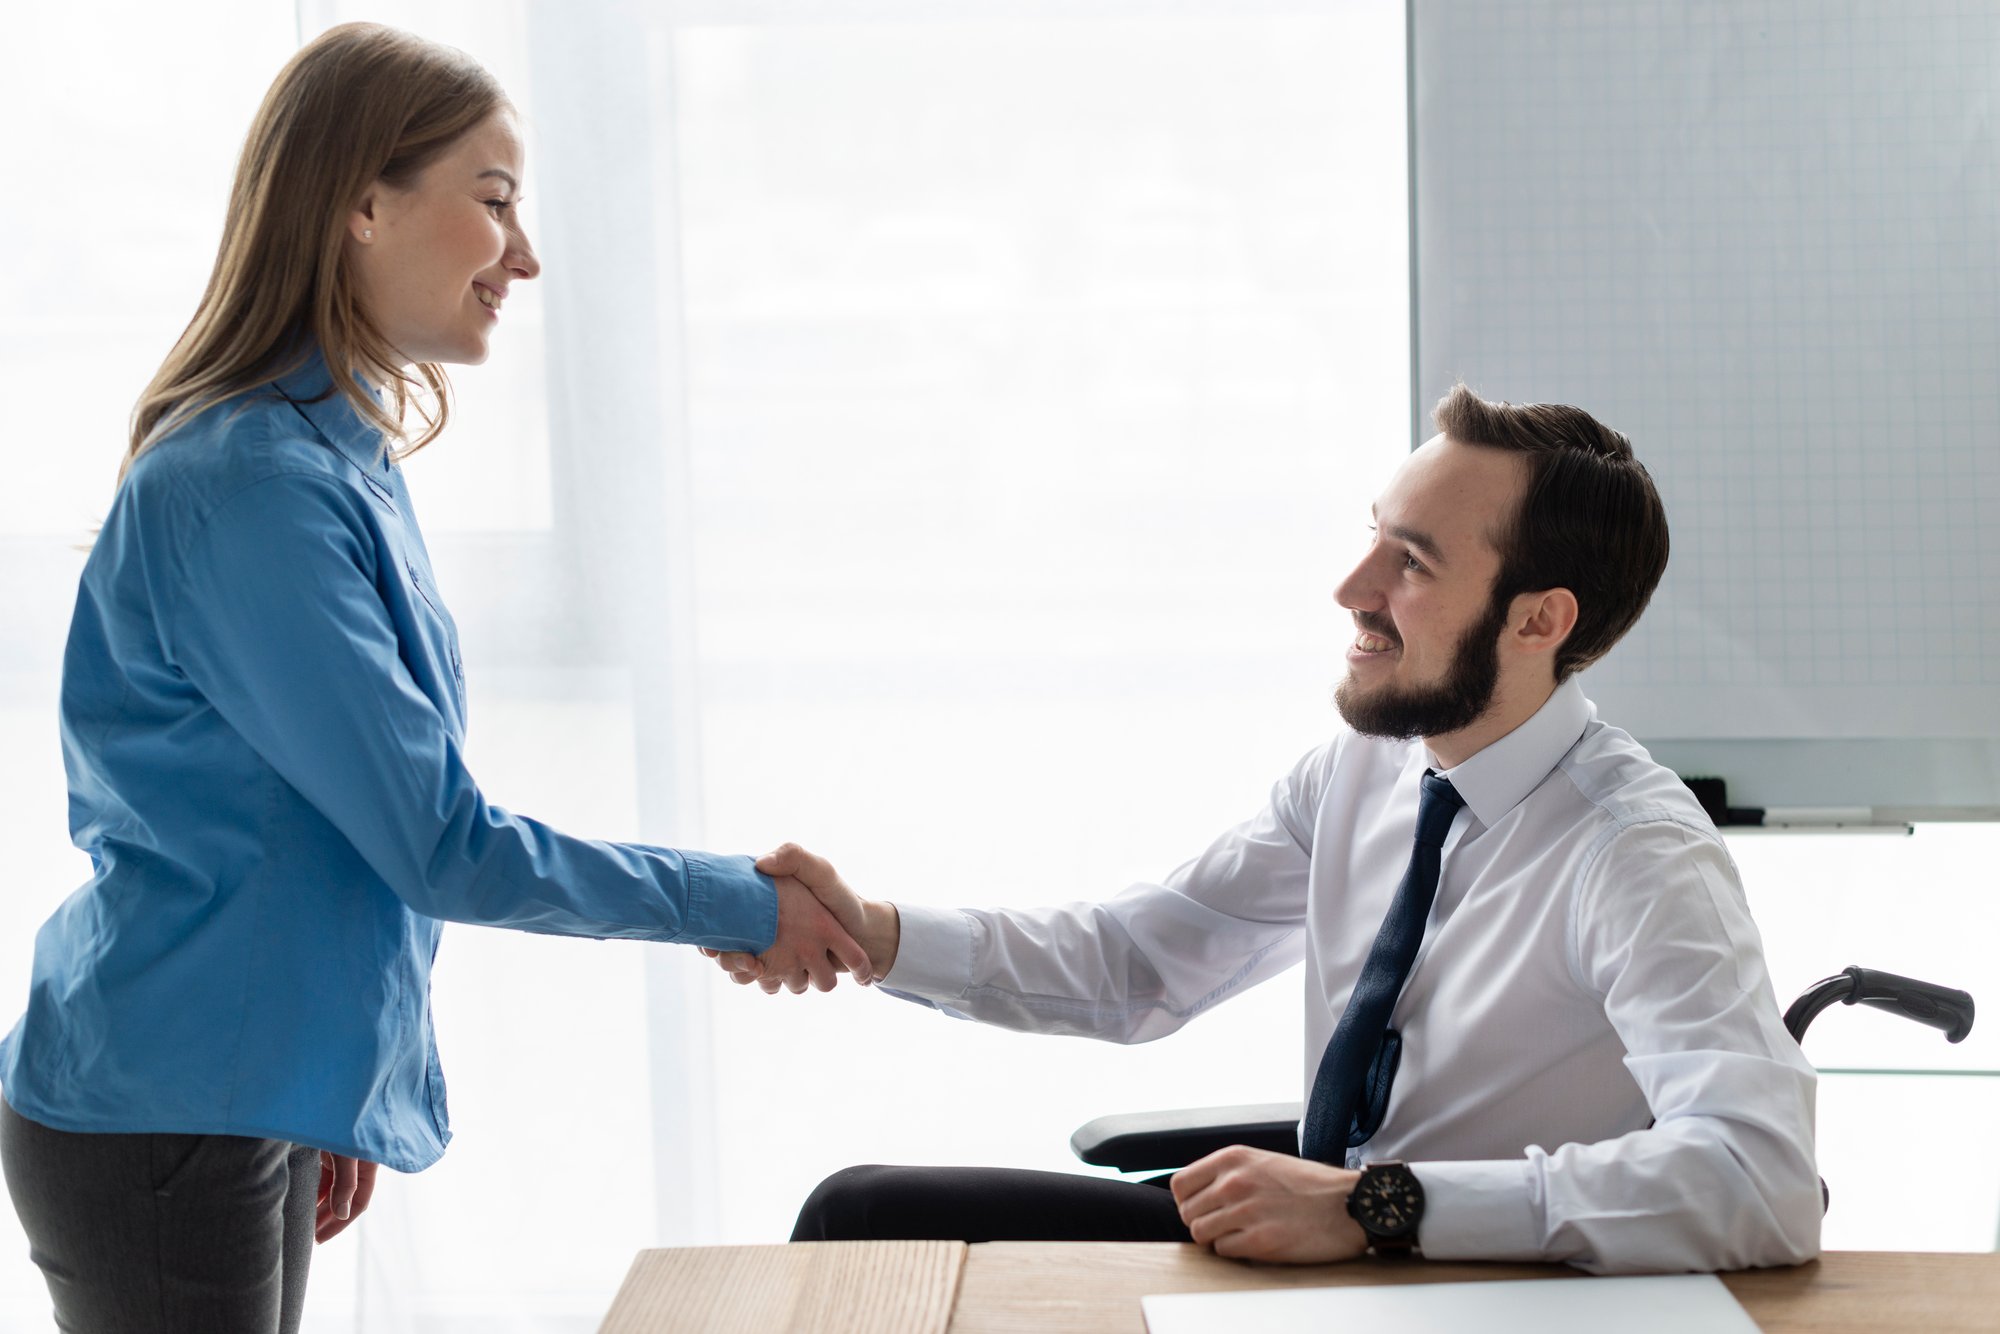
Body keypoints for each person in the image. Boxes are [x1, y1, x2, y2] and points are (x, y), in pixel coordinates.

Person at [0, 24, 870, 1334]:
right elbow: (435, 841)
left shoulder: (332, 458)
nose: (523, 255)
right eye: (496, 200)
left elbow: (315, 823)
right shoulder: (253, 489)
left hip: (232, 1085)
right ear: (361, 202)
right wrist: (734, 899)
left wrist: (326, 1076)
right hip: (167, 1108)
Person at [715, 387, 1823, 1274]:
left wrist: (1377, 1205)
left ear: (1538, 619)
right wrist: (872, 930)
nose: (1351, 587)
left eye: (1411, 563)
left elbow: (1758, 1178)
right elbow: (1138, 958)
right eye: (1371, 540)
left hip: (1469, 1279)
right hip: (1330, 1247)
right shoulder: (1360, 772)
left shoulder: (1630, 849)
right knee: (862, 1214)